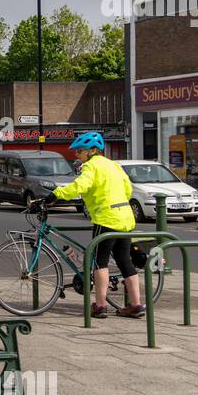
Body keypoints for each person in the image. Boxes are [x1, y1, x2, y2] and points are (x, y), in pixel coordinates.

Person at [46, 132, 142, 319]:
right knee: (124, 260)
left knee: (100, 262)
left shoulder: (90, 166)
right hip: (125, 218)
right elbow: (128, 189)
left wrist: (55, 194)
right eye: (76, 150)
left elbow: (79, 186)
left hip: (105, 219)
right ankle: (136, 305)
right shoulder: (113, 165)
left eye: (80, 151)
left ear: (92, 151)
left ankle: (100, 305)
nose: (76, 154)